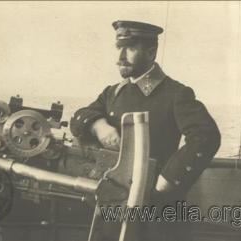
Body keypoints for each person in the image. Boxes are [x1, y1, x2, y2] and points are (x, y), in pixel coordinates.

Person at [70, 20, 221, 241]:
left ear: (151, 52)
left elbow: (205, 136)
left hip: (156, 212)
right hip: (115, 204)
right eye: (119, 48)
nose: (120, 57)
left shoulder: (175, 94)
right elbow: (78, 118)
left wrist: (166, 181)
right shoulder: (113, 93)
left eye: (130, 48)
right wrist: (99, 126)